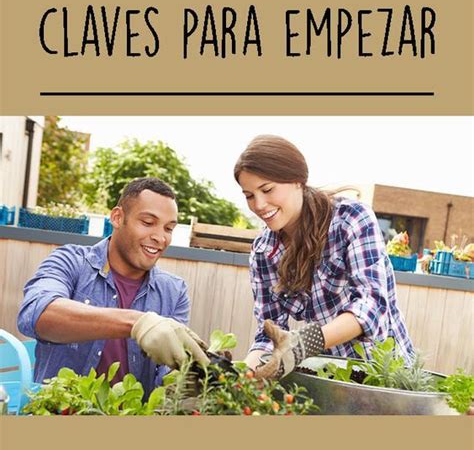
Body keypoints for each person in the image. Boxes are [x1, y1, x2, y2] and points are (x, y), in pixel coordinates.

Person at [234, 135, 415, 380]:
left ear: (298, 180)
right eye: (249, 195)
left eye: (267, 189)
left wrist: (305, 343)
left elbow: (371, 305)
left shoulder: (351, 219)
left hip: (387, 377)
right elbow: (270, 335)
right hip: (330, 381)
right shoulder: (263, 253)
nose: (259, 204)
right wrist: (239, 376)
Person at [17, 176, 208, 395]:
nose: (160, 237)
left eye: (168, 228)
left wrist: (188, 381)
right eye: (147, 223)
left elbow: (165, 377)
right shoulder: (70, 261)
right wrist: (137, 323)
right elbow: (36, 315)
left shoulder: (174, 292)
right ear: (117, 217)